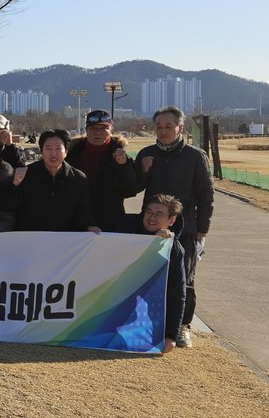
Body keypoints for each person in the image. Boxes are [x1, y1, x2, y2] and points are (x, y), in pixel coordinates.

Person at [135, 106, 214, 348]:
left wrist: (202, 230)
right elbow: (133, 188)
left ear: (180, 128)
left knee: (185, 280)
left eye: (168, 126)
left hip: (185, 230)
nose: (163, 131)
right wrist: (142, 171)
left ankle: (182, 326)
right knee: (149, 277)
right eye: (159, 126)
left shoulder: (195, 156)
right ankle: (150, 322)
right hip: (151, 229)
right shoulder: (146, 154)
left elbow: (206, 195)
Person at [117, 194, 187, 353]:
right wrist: (150, 243)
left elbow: (177, 293)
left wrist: (171, 335)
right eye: (149, 212)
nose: (152, 217)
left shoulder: (174, 249)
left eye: (159, 214)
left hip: (146, 306)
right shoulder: (124, 226)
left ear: (172, 220)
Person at [8, 130, 99, 233]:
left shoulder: (78, 178)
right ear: (41, 151)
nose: (53, 154)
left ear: (66, 152)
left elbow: (83, 211)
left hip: (63, 238)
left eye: (58, 148)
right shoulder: (26, 174)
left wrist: (89, 226)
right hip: (30, 237)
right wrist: (14, 185)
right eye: (48, 148)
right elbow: (7, 207)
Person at [65, 109, 140, 232]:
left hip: (110, 224)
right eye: (93, 128)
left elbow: (130, 191)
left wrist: (123, 167)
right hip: (76, 221)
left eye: (104, 128)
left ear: (111, 131)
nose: (98, 132)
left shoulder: (121, 158)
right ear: (86, 130)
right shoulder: (72, 154)